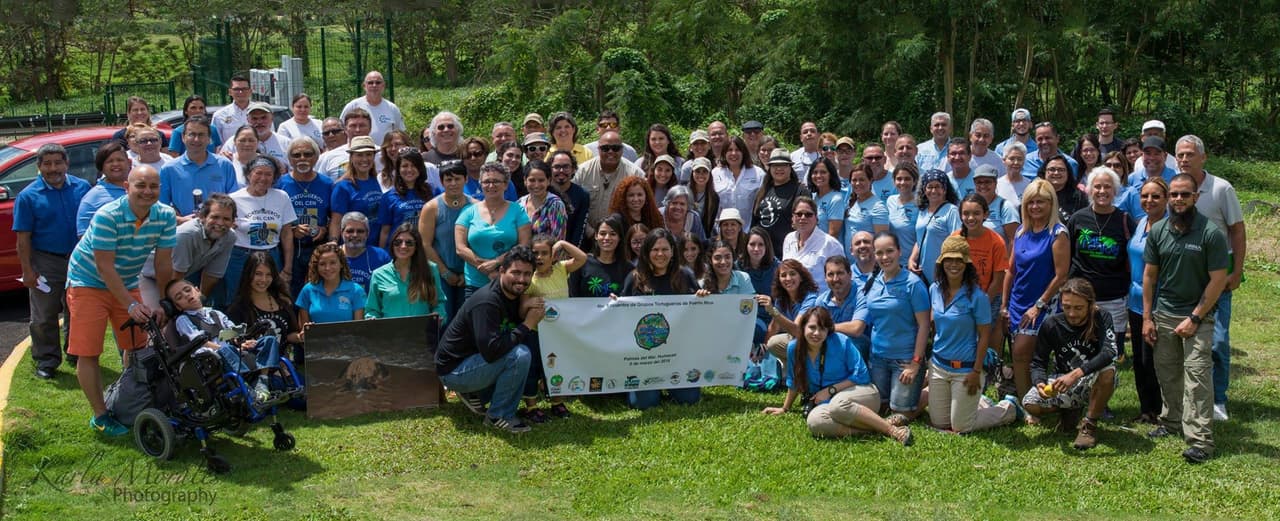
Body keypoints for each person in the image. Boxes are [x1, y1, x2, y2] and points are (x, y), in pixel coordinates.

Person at [67, 165, 176, 436]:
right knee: (89, 351)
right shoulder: (107, 215)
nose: (147, 191)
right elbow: (105, 267)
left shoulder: (165, 215)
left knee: (137, 347)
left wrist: (165, 301)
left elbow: (163, 264)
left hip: (126, 280)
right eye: (140, 185)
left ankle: (128, 398)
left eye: (153, 186)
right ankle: (101, 415)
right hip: (87, 281)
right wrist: (130, 304)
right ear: (127, 187)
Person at [1142, 173, 1230, 464]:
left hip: (1199, 317)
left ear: (1196, 197)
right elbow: (1149, 276)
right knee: (1167, 372)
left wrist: (1194, 317)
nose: (1179, 199)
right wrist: (1147, 318)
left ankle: (1201, 441)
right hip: (1164, 313)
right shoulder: (1158, 231)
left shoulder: (1211, 234)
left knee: (1196, 378)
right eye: (1174, 195)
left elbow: (1218, 281)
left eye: (1185, 194)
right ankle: (1170, 421)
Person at [762, 307, 915, 445]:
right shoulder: (794, 348)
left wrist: (831, 390)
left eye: (822, 329)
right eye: (812, 328)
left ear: (828, 330)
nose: (816, 333)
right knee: (815, 422)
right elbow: (794, 379)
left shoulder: (841, 342)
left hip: (861, 393)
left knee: (838, 405)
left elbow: (861, 375)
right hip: (828, 402)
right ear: (802, 328)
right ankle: (875, 428)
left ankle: (893, 431)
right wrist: (785, 408)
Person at [1174, 135, 1246, 421]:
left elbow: (1237, 231)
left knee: (1217, 341)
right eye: (1180, 154)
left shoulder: (1220, 189)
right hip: (1184, 276)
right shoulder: (1175, 188)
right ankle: (1186, 396)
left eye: (1190, 154)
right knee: (1181, 338)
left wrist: (1237, 270)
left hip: (1218, 277)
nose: (1184, 159)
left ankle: (1218, 400)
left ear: (1203, 157)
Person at [436, 246, 541, 433]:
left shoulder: (513, 294)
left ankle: (476, 392)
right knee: (519, 355)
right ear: (501, 271)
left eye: (527, 274)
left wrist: (524, 307)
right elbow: (493, 352)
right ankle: (498, 416)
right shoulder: (488, 301)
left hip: (472, 359)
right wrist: (527, 324)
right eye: (515, 273)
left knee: (517, 349)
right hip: (453, 371)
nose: (522, 280)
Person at [928, 236, 1022, 433]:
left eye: (959, 260)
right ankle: (980, 401)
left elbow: (984, 337)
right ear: (941, 262)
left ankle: (1009, 408)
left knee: (962, 426)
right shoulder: (934, 289)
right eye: (949, 260)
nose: (954, 265)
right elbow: (935, 326)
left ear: (967, 264)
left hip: (966, 369)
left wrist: (976, 371)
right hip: (938, 366)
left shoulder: (977, 297)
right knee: (939, 423)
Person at [14, 143, 91, 379]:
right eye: (47, 163)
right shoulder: (28, 196)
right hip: (46, 260)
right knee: (44, 315)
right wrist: (28, 271)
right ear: (39, 167)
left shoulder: (83, 187)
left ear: (67, 164)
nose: (53, 168)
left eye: (58, 162)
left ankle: (75, 351)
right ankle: (46, 361)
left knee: (77, 309)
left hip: (79, 259)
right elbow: (23, 238)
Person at [1023, 278, 1118, 450]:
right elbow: (1038, 362)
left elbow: (1110, 352)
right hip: (1063, 382)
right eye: (1067, 307)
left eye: (1078, 308)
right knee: (1030, 404)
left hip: (1091, 378)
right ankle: (1070, 411)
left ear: (1090, 305)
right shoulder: (1051, 324)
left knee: (1108, 372)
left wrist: (1075, 374)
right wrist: (1039, 382)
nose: (1072, 313)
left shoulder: (1102, 317)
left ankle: (1089, 426)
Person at [620, 228, 710, 409]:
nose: (660, 254)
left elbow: (696, 316)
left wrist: (701, 299)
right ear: (646, 253)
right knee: (645, 404)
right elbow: (622, 318)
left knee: (689, 399)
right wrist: (615, 304)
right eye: (655, 249)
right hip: (645, 356)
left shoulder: (684, 275)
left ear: (672, 252)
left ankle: (671, 383)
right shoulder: (635, 278)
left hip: (678, 354)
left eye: (665, 249)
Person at [848, 232, 930, 424]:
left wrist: (915, 363)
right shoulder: (872, 283)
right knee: (881, 407)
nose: (885, 257)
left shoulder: (913, 284)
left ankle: (929, 389)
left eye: (890, 251)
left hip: (905, 359)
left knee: (899, 414)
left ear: (900, 251)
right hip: (878, 358)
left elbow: (924, 325)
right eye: (880, 253)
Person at [1003, 179, 1070, 403]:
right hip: (1018, 301)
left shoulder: (1058, 233)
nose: (1035, 207)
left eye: (1041, 202)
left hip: (1043, 302)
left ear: (1051, 203)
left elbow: (1061, 276)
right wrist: (1004, 304)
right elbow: (1011, 270)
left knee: (1022, 352)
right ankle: (1026, 400)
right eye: (1031, 202)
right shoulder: (1022, 231)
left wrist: (1038, 305)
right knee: (1020, 355)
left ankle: (1033, 401)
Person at [166, 279, 280, 403]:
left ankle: (262, 380)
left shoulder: (215, 313)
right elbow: (199, 341)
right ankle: (245, 386)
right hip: (210, 358)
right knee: (225, 349)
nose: (186, 295)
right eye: (179, 297)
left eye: (188, 290)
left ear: (197, 291)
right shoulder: (183, 320)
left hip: (231, 349)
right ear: (178, 306)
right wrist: (223, 348)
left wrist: (242, 342)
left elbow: (232, 332)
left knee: (269, 340)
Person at [518, 234, 588, 421]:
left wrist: (563, 243)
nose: (539, 257)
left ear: (553, 256)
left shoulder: (561, 269)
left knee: (557, 367)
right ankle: (532, 407)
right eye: (535, 254)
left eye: (544, 253)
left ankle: (557, 402)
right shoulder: (530, 279)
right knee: (533, 369)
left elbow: (582, 258)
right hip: (536, 333)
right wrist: (531, 301)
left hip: (559, 333)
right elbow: (521, 308)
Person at [1067, 166, 1133, 362]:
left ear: (1115, 191)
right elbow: (1068, 253)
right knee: (1081, 349)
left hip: (1114, 295)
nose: (1102, 191)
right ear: (1089, 190)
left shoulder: (1124, 220)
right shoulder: (1078, 218)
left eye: (1107, 187)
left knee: (1112, 352)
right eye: (1097, 187)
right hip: (1082, 295)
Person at [220, 157, 297, 307]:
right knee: (236, 300)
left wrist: (287, 267)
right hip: (240, 256)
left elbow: (287, 234)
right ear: (249, 174)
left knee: (273, 298)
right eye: (258, 173)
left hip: (271, 255)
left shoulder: (282, 197)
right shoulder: (233, 199)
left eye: (268, 174)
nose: (263, 178)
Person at [138, 193, 237, 308]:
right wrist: (168, 306)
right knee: (160, 317)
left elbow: (212, 275)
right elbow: (176, 276)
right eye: (215, 217)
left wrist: (200, 303)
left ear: (233, 221)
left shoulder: (230, 237)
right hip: (150, 276)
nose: (220, 223)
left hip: (177, 279)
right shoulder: (187, 234)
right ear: (203, 217)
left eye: (226, 219)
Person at [455, 163, 532, 298]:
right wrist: (486, 268)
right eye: (487, 181)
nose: (491, 186)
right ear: (481, 184)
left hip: (509, 283)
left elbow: (523, 245)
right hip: (475, 284)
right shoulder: (468, 211)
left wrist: (497, 262)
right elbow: (460, 248)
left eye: (496, 181)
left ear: (506, 184)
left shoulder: (518, 211)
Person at [1126, 178, 1168, 424]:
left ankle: (1163, 410)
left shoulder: (1170, 226)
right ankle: (1146, 409)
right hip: (1134, 300)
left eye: (1155, 197)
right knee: (1140, 360)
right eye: (1145, 196)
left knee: (1156, 359)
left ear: (1166, 200)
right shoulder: (1141, 222)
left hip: (1158, 302)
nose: (1149, 201)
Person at [954, 194, 1009, 361]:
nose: (971, 218)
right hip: (960, 297)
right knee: (963, 336)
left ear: (985, 214)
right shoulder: (955, 239)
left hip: (988, 296)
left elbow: (998, 277)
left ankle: (988, 368)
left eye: (976, 213)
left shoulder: (996, 241)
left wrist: (983, 302)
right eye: (966, 213)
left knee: (984, 335)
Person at [278, 137, 335, 296]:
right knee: (291, 293)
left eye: (307, 154)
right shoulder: (280, 183)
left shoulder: (327, 184)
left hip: (317, 247)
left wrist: (324, 229)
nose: (302, 158)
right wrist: (292, 230)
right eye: (297, 155)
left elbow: (335, 217)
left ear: (316, 157)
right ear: (289, 159)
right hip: (290, 250)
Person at [228, 252, 304, 367]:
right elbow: (232, 342)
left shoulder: (282, 301)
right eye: (258, 274)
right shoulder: (238, 308)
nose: (263, 279)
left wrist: (300, 337)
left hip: (285, 367)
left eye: (268, 274)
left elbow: (288, 335)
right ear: (248, 274)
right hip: (256, 369)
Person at [418, 160, 472, 322]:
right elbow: (425, 244)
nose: (453, 183)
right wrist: (445, 273)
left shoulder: (475, 206)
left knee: (465, 320)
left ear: (466, 179)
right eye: (448, 180)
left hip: (468, 274)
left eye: (458, 179)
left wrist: (465, 272)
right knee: (444, 320)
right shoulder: (431, 208)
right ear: (442, 182)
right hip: (440, 274)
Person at [158, 116, 239, 222]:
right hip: (183, 230)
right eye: (192, 134)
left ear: (209, 138)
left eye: (201, 135)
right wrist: (181, 220)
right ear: (183, 137)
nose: (196, 139)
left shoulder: (224, 165)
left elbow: (234, 201)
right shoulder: (169, 169)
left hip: (218, 228)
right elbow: (162, 207)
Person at [365, 223, 447, 321]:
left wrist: (438, 316)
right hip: (390, 334)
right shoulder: (378, 274)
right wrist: (372, 318)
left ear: (417, 246)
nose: (403, 246)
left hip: (422, 333)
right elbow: (372, 310)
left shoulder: (430, 269)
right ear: (392, 244)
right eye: (398, 242)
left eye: (409, 243)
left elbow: (439, 303)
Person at [574, 130, 643, 238]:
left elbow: (642, 208)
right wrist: (591, 233)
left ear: (622, 150)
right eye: (605, 148)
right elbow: (573, 204)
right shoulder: (582, 171)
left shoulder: (635, 173)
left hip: (622, 237)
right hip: (586, 235)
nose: (610, 152)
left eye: (615, 148)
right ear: (598, 149)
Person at [909, 169, 962, 285]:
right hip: (922, 272)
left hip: (943, 273)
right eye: (929, 187)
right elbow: (920, 238)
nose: (933, 190)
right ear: (924, 189)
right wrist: (912, 258)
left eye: (938, 186)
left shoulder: (951, 211)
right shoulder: (922, 210)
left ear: (944, 189)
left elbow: (957, 243)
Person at [760, 258, 819, 360]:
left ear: (801, 277)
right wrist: (763, 350)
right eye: (783, 275)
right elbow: (774, 327)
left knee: (775, 343)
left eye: (792, 274)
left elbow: (797, 330)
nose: (788, 278)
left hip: (812, 342)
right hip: (797, 343)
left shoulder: (810, 297)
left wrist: (773, 311)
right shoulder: (782, 299)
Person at [782, 197, 843, 293]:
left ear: (816, 218)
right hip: (791, 302)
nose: (803, 218)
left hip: (819, 303)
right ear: (793, 217)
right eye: (799, 214)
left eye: (808, 214)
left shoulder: (830, 244)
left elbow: (840, 280)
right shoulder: (788, 239)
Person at [296, 242, 366, 326]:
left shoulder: (356, 290)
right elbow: (304, 332)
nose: (327, 268)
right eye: (322, 264)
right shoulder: (307, 290)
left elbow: (359, 329)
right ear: (316, 266)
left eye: (332, 263)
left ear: (341, 264)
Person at [377, 147, 435, 248]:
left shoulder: (433, 192)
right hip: (400, 250)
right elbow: (385, 231)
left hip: (425, 250)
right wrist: (384, 255)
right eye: (404, 166)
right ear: (398, 169)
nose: (409, 170)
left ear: (420, 168)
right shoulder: (388, 197)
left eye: (414, 165)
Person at [329, 136, 384, 241]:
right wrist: (333, 244)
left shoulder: (377, 181)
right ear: (351, 157)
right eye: (359, 155)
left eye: (369, 154)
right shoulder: (343, 187)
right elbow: (336, 222)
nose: (364, 159)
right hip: (354, 246)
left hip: (377, 245)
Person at [76, 141, 131, 237]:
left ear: (129, 162)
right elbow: (83, 236)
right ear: (101, 167)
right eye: (109, 161)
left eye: (120, 160)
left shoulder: (140, 188)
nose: (115, 164)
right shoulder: (92, 198)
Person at [569, 214, 631, 297]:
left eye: (613, 234)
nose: (607, 238)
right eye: (602, 233)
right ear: (596, 236)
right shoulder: (581, 264)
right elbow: (572, 295)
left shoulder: (629, 269)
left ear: (619, 237)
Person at [755, 148, 803, 254]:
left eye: (784, 165)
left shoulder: (800, 190)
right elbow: (755, 220)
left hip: (787, 250)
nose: (779, 169)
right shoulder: (763, 190)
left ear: (790, 168)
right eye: (775, 165)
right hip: (762, 252)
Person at [340, 71, 405, 145]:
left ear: (383, 86)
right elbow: (341, 131)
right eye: (370, 83)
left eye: (378, 82)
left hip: (384, 154)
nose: (374, 85)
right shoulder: (353, 106)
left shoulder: (392, 108)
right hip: (357, 153)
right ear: (364, 86)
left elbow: (401, 134)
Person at [713, 136, 763, 230]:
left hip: (749, 231)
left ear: (743, 152)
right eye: (730, 150)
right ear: (724, 153)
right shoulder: (715, 173)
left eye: (737, 150)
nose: (733, 153)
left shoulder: (758, 173)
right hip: (721, 231)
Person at [219, 102, 289, 170]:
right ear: (247, 120)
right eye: (254, 118)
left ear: (271, 118)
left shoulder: (285, 143)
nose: (259, 122)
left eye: (263, 118)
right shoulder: (234, 142)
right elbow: (221, 165)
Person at [338, 212, 391, 291]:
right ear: (341, 232)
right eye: (350, 231)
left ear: (367, 233)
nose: (355, 235)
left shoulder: (381, 257)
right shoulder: (332, 255)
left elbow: (390, 287)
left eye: (360, 231)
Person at [316, 109, 374, 181]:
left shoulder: (382, 154)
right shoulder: (327, 158)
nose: (357, 130)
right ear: (345, 129)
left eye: (362, 125)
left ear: (370, 128)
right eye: (353, 126)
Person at [548, 150, 591, 247]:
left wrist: (571, 253)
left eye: (566, 167)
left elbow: (580, 228)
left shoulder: (582, 195)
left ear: (573, 169)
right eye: (557, 167)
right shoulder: (543, 191)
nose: (561, 171)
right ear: (550, 169)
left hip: (570, 249)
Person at [842, 163, 889, 250]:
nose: (857, 183)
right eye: (854, 180)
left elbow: (882, 242)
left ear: (871, 180)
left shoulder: (878, 207)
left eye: (862, 180)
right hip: (850, 259)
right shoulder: (851, 202)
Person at [517, 159, 567, 240]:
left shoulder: (555, 205)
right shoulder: (519, 203)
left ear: (549, 181)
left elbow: (558, 240)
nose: (536, 185)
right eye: (532, 180)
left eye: (541, 180)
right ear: (525, 181)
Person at [972, 165, 1020, 246]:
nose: (983, 186)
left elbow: (1014, 241)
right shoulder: (971, 206)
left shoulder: (1006, 207)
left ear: (995, 183)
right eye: (979, 182)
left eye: (987, 182)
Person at [885, 163, 920, 266]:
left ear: (914, 181)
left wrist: (912, 259)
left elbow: (921, 238)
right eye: (899, 179)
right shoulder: (890, 201)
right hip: (892, 262)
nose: (903, 182)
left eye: (907, 179)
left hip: (911, 263)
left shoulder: (920, 205)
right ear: (894, 181)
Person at [1040, 154, 1088, 224]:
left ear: (1068, 173)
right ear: (1044, 172)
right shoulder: (1037, 194)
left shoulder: (1079, 197)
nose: (1056, 173)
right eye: (1052, 169)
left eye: (1061, 170)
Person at [807, 157, 845, 240]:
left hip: (828, 250)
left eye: (823, 172)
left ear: (830, 174)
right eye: (815, 172)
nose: (818, 176)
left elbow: (833, 234)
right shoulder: (812, 197)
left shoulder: (836, 199)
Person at [686, 157, 721, 237]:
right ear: (692, 173)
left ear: (710, 174)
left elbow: (710, 224)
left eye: (705, 171)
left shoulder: (714, 197)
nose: (701, 175)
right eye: (697, 171)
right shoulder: (684, 193)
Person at [211, 75, 252, 141]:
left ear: (250, 91)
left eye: (244, 89)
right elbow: (215, 142)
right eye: (236, 89)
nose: (240, 92)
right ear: (230, 92)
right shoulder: (219, 115)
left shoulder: (260, 113)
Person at [996, 142, 1031, 208]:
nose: (1016, 162)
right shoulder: (997, 185)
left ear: (1024, 161)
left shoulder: (1029, 185)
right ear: (1004, 160)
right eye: (1012, 159)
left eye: (1019, 159)